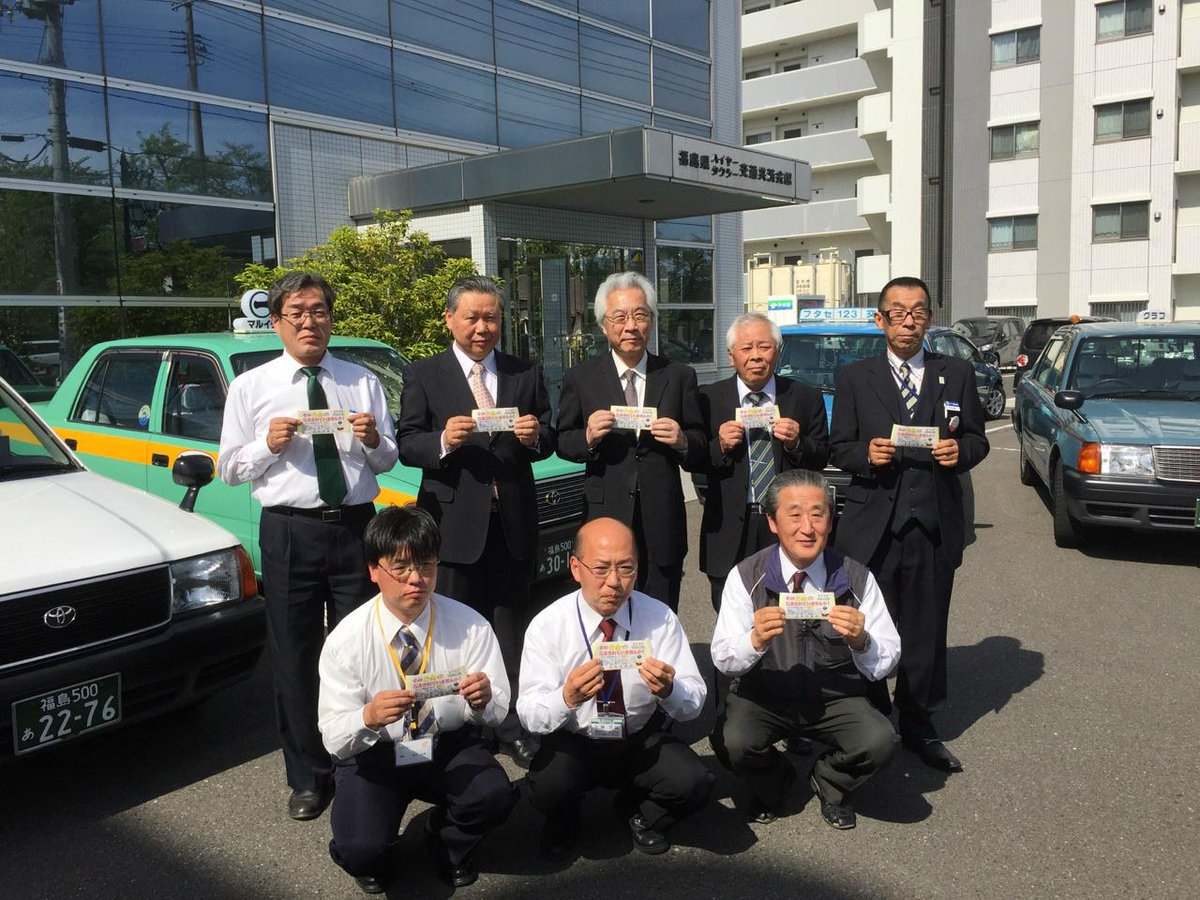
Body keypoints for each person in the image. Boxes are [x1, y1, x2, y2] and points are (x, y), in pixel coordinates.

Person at [218, 271, 397, 821]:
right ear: (276, 323)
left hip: (356, 527)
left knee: (362, 649)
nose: (309, 322)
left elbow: (388, 458)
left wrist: (372, 439)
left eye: (318, 311)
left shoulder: (361, 380)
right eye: (296, 313)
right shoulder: (251, 387)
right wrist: (266, 446)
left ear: (330, 318)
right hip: (289, 530)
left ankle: (361, 764)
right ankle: (307, 776)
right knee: (295, 655)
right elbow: (229, 469)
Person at [829, 276, 989, 772]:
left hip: (933, 523)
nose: (908, 321)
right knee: (869, 625)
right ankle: (872, 718)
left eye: (917, 312)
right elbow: (838, 447)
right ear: (880, 320)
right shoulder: (856, 376)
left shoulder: (955, 372)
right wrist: (866, 454)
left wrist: (960, 451)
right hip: (874, 525)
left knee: (926, 630)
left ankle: (919, 723)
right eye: (897, 312)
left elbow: (979, 438)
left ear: (929, 319)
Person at [396, 274, 555, 769]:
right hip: (452, 526)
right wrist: (444, 440)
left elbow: (550, 433)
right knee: (450, 632)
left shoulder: (524, 371)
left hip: (511, 522)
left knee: (510, 628)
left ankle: (509, 724)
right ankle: (458, 727)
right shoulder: (425, 374)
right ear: (450, 319)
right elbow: (407, 444)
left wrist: (534, 436)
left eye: (491, 317)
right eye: (472, 317)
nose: (483, 327)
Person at [317, 506, 517, 893]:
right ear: (374, 570)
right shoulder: (346, 640)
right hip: (375, 754)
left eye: (426, 565)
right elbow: (334, 737)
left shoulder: (470, 625)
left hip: (445, 743)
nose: (416, 579)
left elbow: (496, 711)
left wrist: (482, 700)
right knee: (360, 848)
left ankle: (445, 838)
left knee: (493, 796)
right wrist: (367, 716)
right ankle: (369, 852)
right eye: (401, 567)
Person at [711, 470, 900, 830]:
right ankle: (776, 781)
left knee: (880, 742)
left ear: (831, 521)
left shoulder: (857, 577)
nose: (807, 528)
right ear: (772, 522)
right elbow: (723, 657)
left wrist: (862, 641)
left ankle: (829, 780)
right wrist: (754, 640)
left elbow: (887, 660)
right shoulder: (746, 576)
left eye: (818, 514)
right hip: (765, 695)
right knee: (732, 740)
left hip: (835, 697)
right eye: (794, 515)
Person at [518, 517, 713, 860]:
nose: (614, 582)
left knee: (693, 782)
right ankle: (564, 819)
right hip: (577, 738)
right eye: (601, 568)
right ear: (575, 568)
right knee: (548, 785)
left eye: (626, 568)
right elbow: (530, 715)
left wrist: (670, 689)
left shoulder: (659, 617)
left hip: (637, 736)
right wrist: (567, 697)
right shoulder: (548, 625)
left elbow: (694, 702)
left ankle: (640, 814)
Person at [556, 272, 706, 613]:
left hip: (662, 516)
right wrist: (588, 437)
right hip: (605, 513)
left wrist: (683, 441)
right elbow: (563, 441)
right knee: (607, 610)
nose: (631, 326)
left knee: (660, 612)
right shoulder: (580, 377)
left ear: (651, 320)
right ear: (603, 325)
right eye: (620, 317)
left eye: (640, 315)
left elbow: (700, 444)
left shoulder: (679, 376)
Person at [699, 311, 829, 613]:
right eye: (747, 348)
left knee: (789, 611)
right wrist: (719, 445)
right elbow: (693, 460)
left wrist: (797, 442)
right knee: (732, 615)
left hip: (787, 522)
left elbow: (823, 456)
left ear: (778, 352)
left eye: (764, 347)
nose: (756, 356)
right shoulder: (709, 399)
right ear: (731, 356)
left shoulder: (804, 396)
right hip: (731, 525)